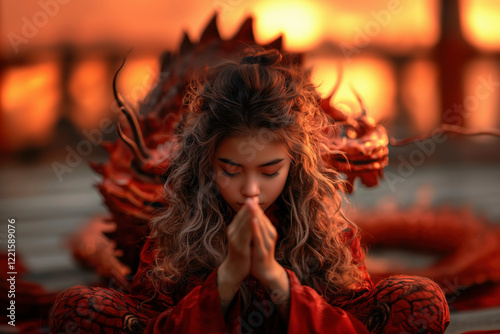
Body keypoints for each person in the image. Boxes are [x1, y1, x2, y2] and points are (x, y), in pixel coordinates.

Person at [49, 47, 450, 333]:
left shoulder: (329, 233)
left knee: (422, 300)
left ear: (296, 165)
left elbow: (351, 318)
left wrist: (277, 282)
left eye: (269, 170)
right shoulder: (175, 229)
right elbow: (153, 320)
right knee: (77, 307)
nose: (251, 190)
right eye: (231, 170)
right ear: (207, 165)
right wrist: (226, 280)